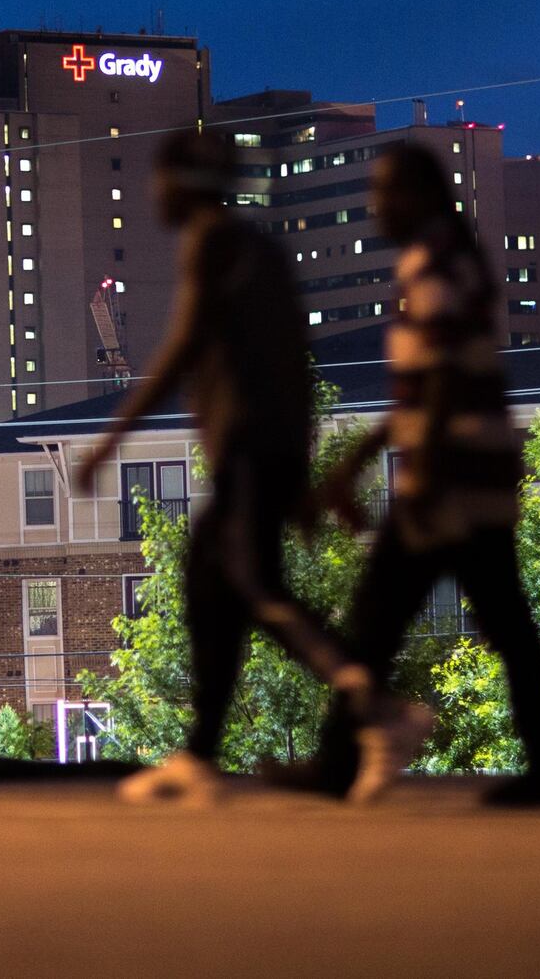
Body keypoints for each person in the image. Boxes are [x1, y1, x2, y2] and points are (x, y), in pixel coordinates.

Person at [74, 130, 430, 806]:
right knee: (216, 593)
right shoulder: (257, 249)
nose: (155, 195)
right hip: (267, 451)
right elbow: (295, 360)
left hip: (249, 453)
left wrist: (108, 439)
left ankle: (379, 711)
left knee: (256, 593)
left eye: (161, 180)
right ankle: (202, 753)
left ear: (185, 182)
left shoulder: (215, 243)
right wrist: (297, 466)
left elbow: (181, 350)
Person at [314, 143, 540, 806]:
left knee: (377, 617)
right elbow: (421, 385)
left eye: (388, 191)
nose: (377, 206)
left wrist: (421, 476)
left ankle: (336, 762)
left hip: (451, 473)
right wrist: (358, 462)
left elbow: (442, 384)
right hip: (472, 469)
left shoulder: (434, 263)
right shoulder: (443, 258)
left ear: (422, 195)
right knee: (497, 622)